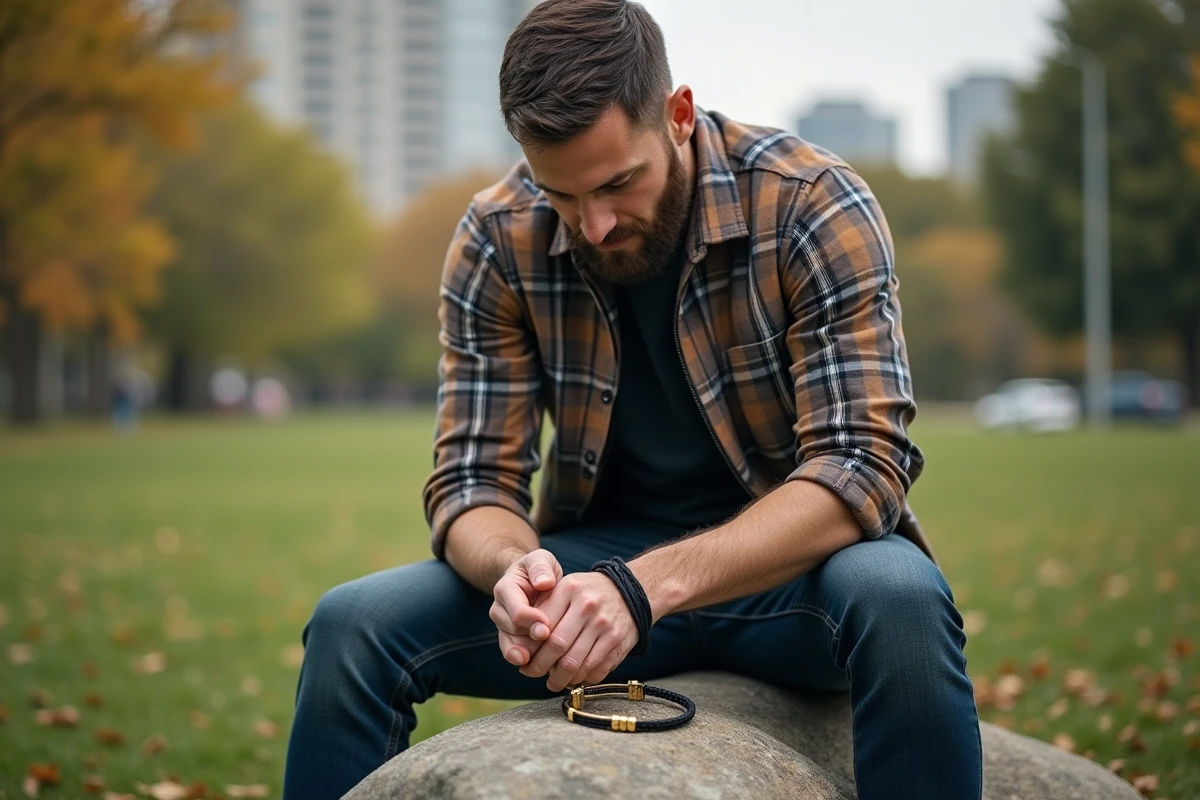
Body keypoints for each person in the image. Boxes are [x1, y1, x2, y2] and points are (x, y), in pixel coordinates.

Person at [282, 1, 982, 797]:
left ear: (678, 115)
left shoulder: (810, 204)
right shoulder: (495, 237)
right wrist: (518, 571)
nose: (597, 222)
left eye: (619, 182)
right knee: (351, 625)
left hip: (794, 576)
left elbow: (863, 466)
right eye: (564, 196)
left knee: (902, 598)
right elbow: (470, 484)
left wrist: (646, 589)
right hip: (591, 587)